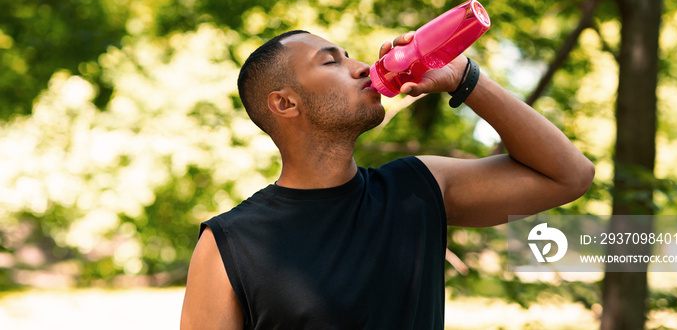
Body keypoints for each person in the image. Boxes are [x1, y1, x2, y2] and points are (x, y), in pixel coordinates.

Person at [180, 29, 595, 329]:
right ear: (285, 103)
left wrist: (465, 79)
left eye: (349, 56)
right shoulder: (229, 244)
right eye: (332, 61)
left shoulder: (417, 189)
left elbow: (571, 176)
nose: (363, 67)